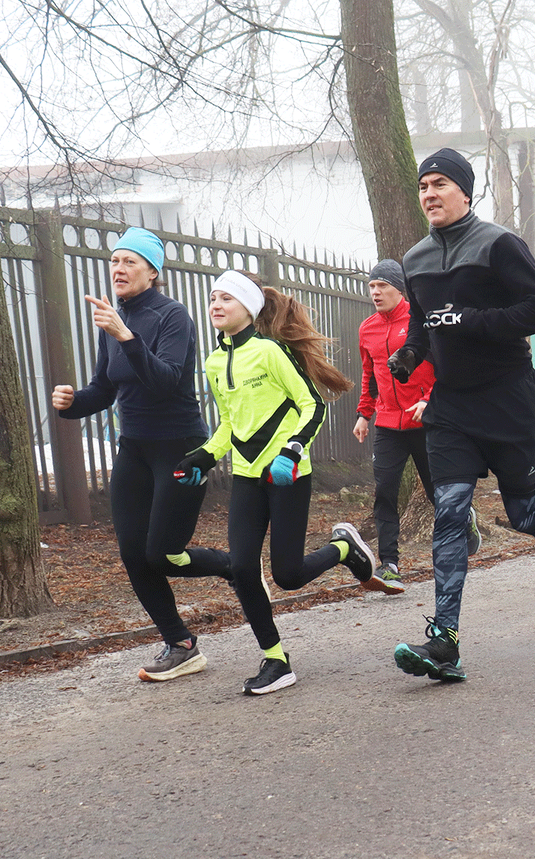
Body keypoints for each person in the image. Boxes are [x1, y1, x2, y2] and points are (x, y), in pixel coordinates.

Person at [388, 148, 535, 682]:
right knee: (450, 510)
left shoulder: (499, 244)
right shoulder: (414, 259)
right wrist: (412, 354)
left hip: (507, 399)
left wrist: (475, 321)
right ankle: (445, 641)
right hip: (452, 406)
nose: (429, 194)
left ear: (464, 192)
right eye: (423, 186)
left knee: (522, 513)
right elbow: (425, 327)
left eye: (439, 184)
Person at [171, 270, 373, 694]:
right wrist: (204, 456)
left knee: (288, 575)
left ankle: (343, 548)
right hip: (247, 477)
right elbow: (230, 423)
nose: (216, 304)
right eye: (213, 298)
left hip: (286, 474)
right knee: (243, 569)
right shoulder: (213, 361)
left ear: (248, 307)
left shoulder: (270, 352)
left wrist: (291, 451)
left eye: (227, 297)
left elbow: (311, 406)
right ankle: (277, 660)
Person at [51, 226, 230, 683]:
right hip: (133, 448)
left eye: (129, 261)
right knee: (134, 553)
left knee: (162, 552)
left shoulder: (173, 317)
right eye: (114, 261)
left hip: (180, 447)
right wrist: (74, 403)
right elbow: (106, 389)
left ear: (153, 271)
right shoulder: (114, 320)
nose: (119, 268)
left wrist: (126, 335)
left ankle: (238, 567)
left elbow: (167, 380)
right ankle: (181, 644)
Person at [354, 260, 440, 593]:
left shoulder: (419, 322)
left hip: (423, 419)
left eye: (382, 286)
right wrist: (364, 413)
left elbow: (442, 367)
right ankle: (389, 563)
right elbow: (369, 374)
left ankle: (461, 532)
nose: (375, 292)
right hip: (388, 423)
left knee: (437, 491)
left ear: (399, 289)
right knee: (385, 492)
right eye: (372, 286)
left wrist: (430, 400)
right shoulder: (368, 328)